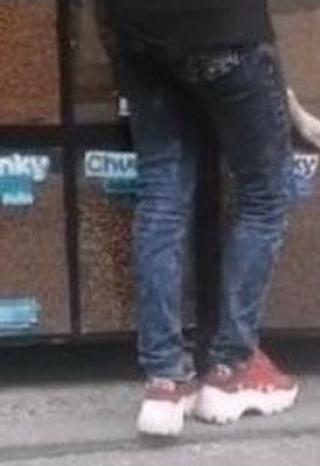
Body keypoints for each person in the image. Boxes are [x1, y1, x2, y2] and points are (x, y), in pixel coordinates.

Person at [98, 0, 299, 436]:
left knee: (163, 196)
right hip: (224, 30)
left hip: (137, 34)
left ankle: (165, 381)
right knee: (263, 196)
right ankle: (232, 367)